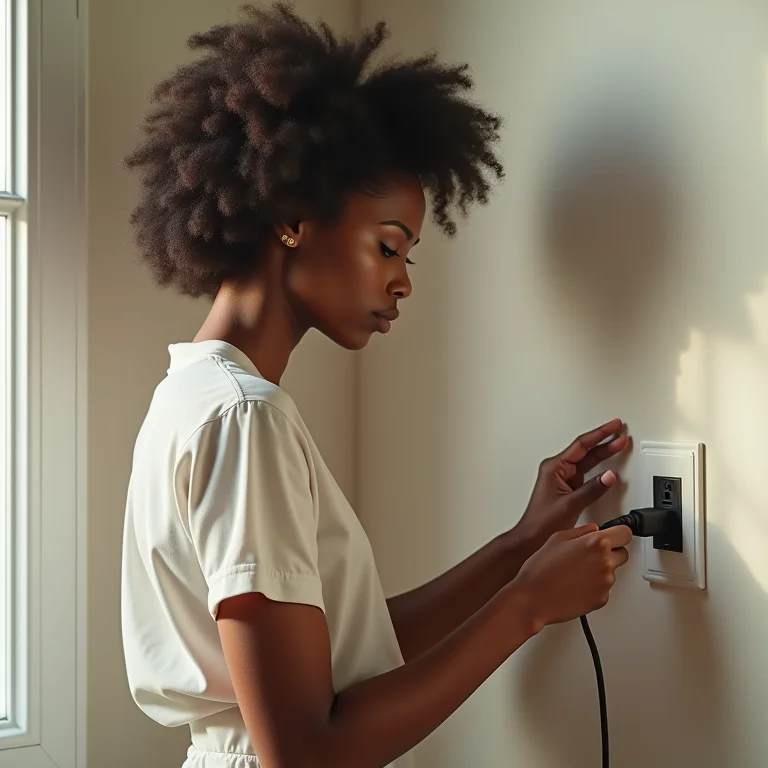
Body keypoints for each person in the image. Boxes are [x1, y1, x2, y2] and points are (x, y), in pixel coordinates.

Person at [120, 4, 632, 767]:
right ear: (293, 217)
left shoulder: (194, 396)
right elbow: (305, 751)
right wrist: (526, 607)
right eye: (389, 247)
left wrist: (519, 547)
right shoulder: (243, 419)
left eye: (409, 258)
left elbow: (345, 652)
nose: (402, 284)